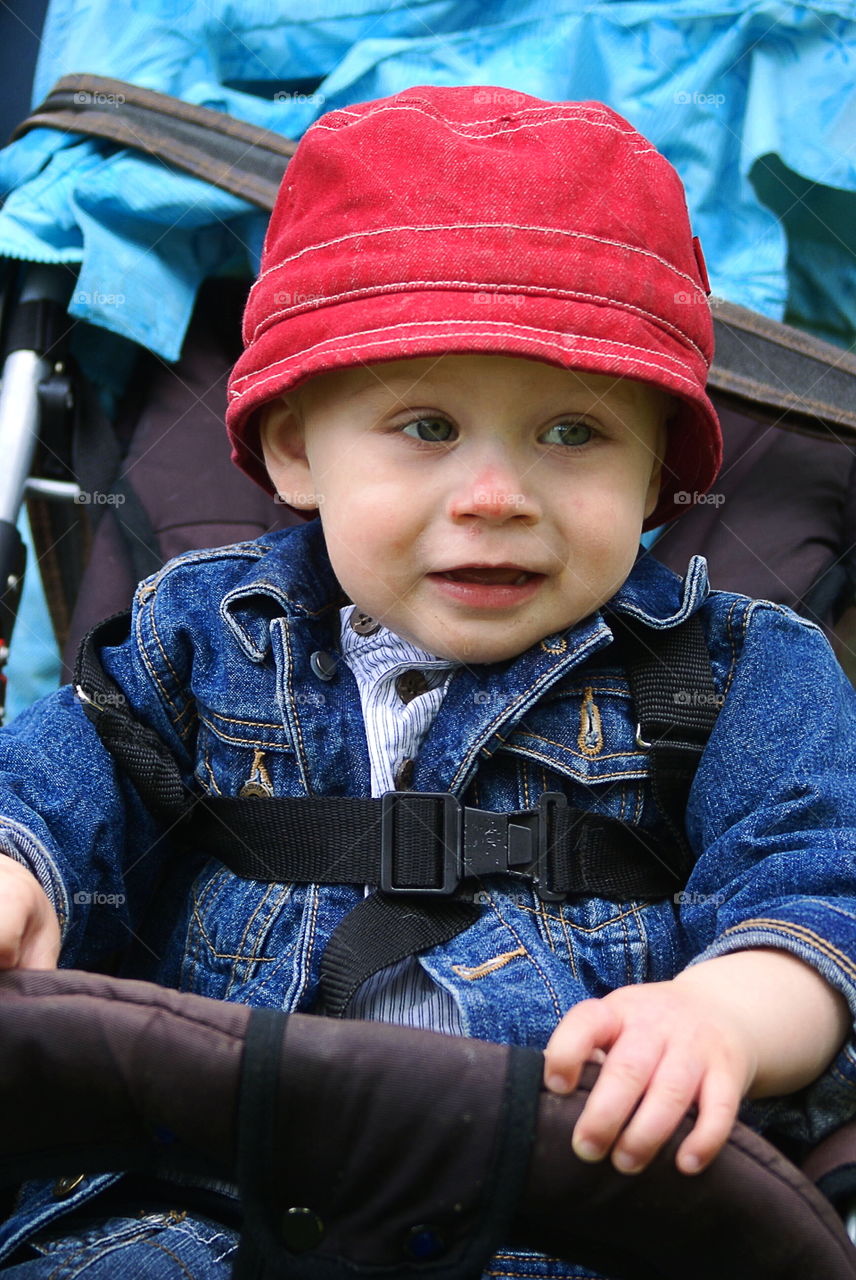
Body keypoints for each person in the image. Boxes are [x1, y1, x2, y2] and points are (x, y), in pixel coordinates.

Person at [0, 85, 853, 1279]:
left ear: (661, 465)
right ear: (296, 448)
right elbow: (59, 779)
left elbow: (818, 893)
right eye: (426, 426)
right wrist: (14, 860)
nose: (496, 493)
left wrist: (726, 1014)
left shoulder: (735, 677)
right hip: (198, 1195)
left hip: (562, 1213)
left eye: (574, 433)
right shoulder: (200, 635)